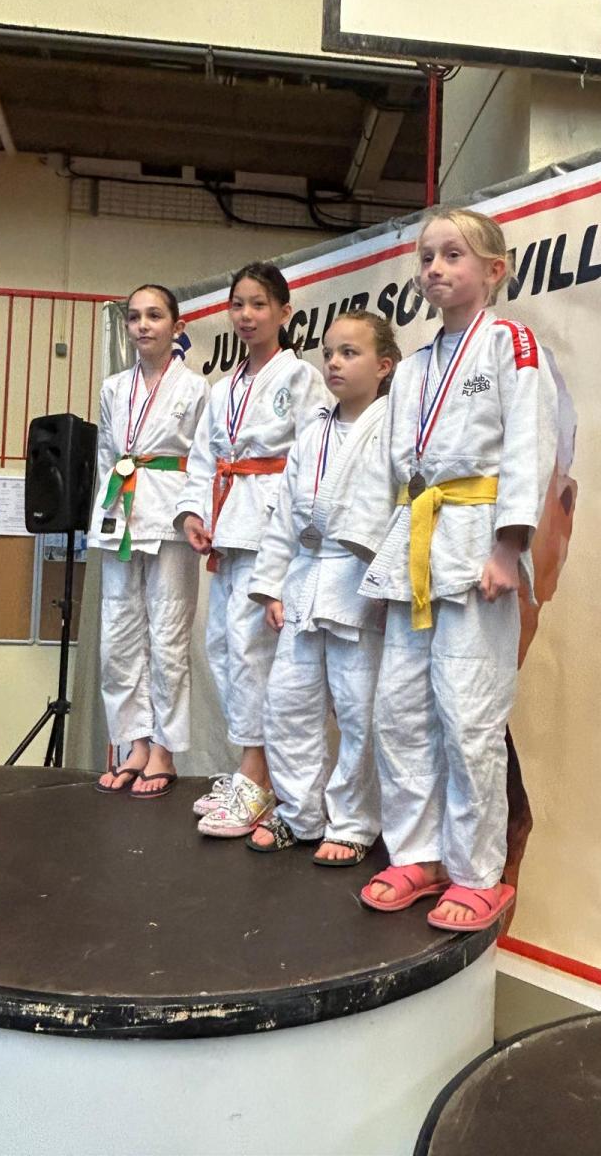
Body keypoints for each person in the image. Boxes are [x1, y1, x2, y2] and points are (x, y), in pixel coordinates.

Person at [339, 207, 558, 931]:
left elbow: (529, 447)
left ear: (493, 270)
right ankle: (418, 854)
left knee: (469, 717)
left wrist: (508, 545)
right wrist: (379, 559)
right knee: (400, 712)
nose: (434, 267)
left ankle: (476, 872)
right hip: (418, 547)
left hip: (476, 545)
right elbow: (392, 469)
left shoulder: (511, 344)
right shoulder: (415, 366)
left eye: (452, 255)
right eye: (427, 256)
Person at [175, 262, 331, 837]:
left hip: (272, 527)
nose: (246, 315)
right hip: (228, 520)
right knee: (222, 647)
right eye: (238, 304)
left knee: (253, 653)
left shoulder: (303, 379)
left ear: (284, 312)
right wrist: (194, 512)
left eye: (259, 304)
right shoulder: (223, 389)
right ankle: (251, 771)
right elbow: (202, 459)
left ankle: (258, 775)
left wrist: (301, 531)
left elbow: (316, 456)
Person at [246, 311, 400, 864]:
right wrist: (271, 586)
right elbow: (284, 515)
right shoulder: (312, 432)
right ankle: (299, 813)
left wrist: (387, 582)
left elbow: (399, 513)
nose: (334, 362)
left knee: (359, 712)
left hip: (358, 583)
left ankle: (354, 823)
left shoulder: (393, 429)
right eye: (329, 353)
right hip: (304, 579)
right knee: (287, 705)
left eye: (349, 353)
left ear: (384, 366)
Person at [91, 284, 209, 798]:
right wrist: (105, 510)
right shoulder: (114, 388)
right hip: (121, 510)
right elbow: (105, 453)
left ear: (177, 327)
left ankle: (164, 748)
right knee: (118, 634)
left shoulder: (197, 388)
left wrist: (195, 512)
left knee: (168, 635)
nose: (143, 325)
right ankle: (133, 742)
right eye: (135, 316)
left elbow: (205, 461)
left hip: (171, 514)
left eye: (154, 316)